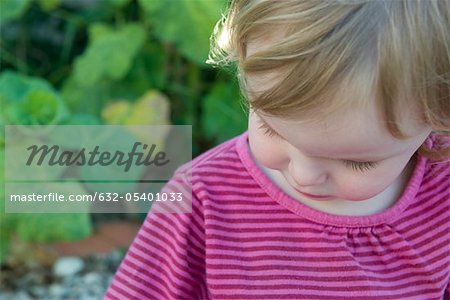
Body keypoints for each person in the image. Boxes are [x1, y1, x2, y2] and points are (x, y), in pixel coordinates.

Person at [104, 0, 449, 299]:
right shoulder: (204, 197)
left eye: (355, 163)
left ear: (437, 115)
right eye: (271, 129)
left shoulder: (441, 192)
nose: (303, 174)